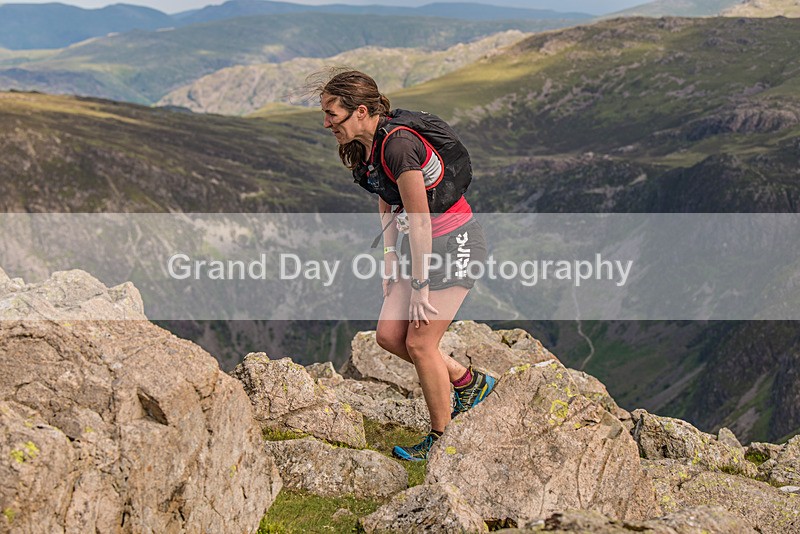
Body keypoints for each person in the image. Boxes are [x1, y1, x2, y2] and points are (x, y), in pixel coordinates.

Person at [318, 70, 495, 461]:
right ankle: (469, 382)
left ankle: (442, 441)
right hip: (421, 246)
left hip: (456, 243)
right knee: (387, 336)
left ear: (360, 111)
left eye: (332, 114)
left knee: (419, 343)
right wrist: (389, 256)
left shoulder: (398, 145)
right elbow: (386, 194)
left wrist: (419, 286)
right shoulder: (366, 145)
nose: (326, 122)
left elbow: (419, 218)